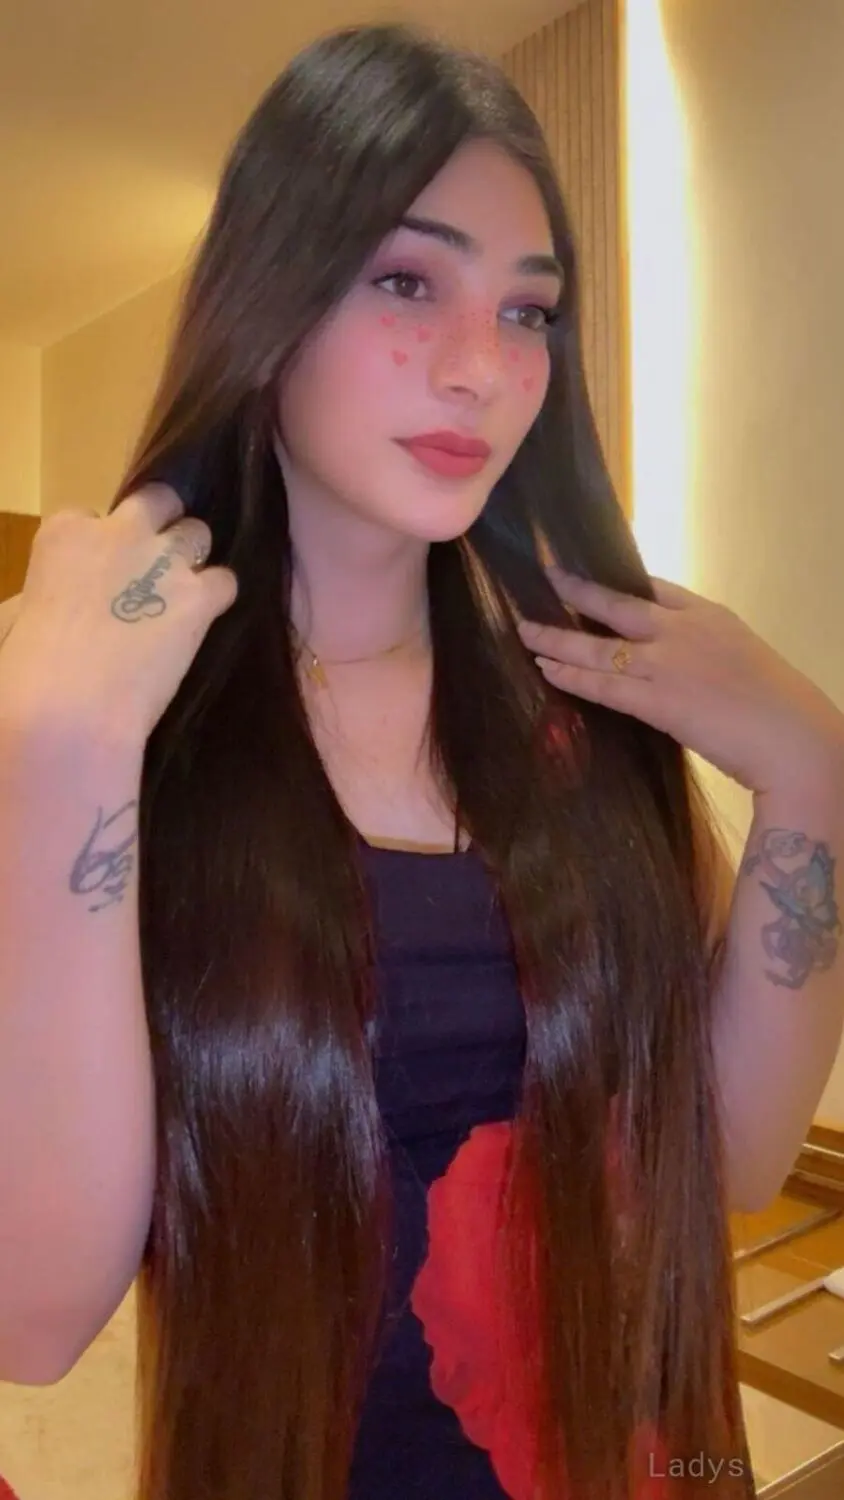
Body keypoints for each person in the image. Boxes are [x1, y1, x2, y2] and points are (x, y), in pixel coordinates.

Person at [1, 20, 843, 1500]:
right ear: (269, 297)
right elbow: (34, 1316)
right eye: (406, 281)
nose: (484, 371)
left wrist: (815, 769)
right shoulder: (117, 732)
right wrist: (61, 753)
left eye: (530, 312)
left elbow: (725, 1166)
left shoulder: (579, 713)